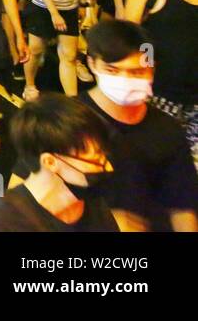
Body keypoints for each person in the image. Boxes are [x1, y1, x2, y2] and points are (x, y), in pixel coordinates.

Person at [79, 20, 198, 231]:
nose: (124, 80)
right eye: (113, 70)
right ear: (92, 64)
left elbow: (182, 207)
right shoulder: (67, 121)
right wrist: (102, 222)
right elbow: (26, 200)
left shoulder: (167, 130)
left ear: (151, 70)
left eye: (136, 72)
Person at [0, 94, 118, 232]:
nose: (107, 166)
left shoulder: (92, 203)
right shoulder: (4, 221)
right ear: (50, 162)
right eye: (96, 159)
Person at [122, 0, 198, 173]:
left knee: (188, 169)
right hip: (159, 95)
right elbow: (129, 37)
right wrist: (144, 68)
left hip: (195, 100)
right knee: (153, 160)